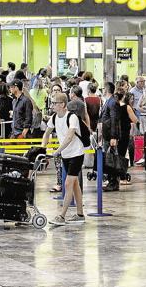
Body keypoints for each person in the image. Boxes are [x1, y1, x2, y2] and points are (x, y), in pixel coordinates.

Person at [48, 93, 86, 226]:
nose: (52, 105)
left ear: (62, 104)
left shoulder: (72, 117)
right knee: (74, 185)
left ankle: (62, 216)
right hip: (66, 155)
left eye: (54, 103)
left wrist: (57, 150)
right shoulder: (53, 118)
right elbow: (47, 133)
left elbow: (69, 137)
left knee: (68, 183)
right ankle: (80, 214)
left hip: (76, 153)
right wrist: (42, 147)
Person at [99, 82, 122, 191]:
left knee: (112, 159)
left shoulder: (113, 102)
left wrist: (113, 136)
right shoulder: (108, 102)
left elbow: (115, 120)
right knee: (109, 159)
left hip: (110, 135)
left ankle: (114, 182)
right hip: (107, 135)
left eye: (103, 88)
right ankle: (111, 181)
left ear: (106, 90)